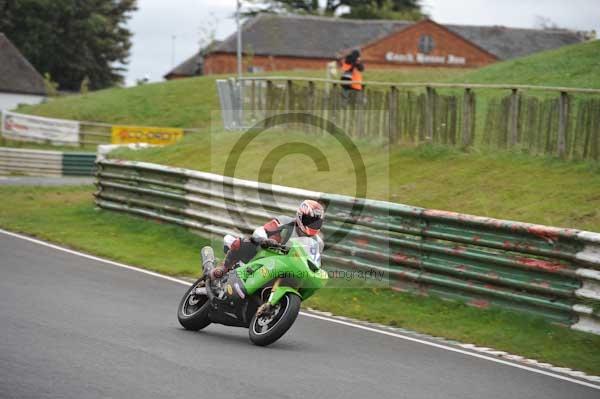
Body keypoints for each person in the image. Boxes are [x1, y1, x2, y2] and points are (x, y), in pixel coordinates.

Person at [208, 200, 325, 282]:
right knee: (248, 243)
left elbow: (315, 262)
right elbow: (263, 230)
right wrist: (267, 240)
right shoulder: (285, 222)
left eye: (315, 222)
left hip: (287, 268)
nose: (312, 224)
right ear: (300, 216)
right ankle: (223, 268)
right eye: (309, 220)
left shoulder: (318, 242)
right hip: (266, 255)